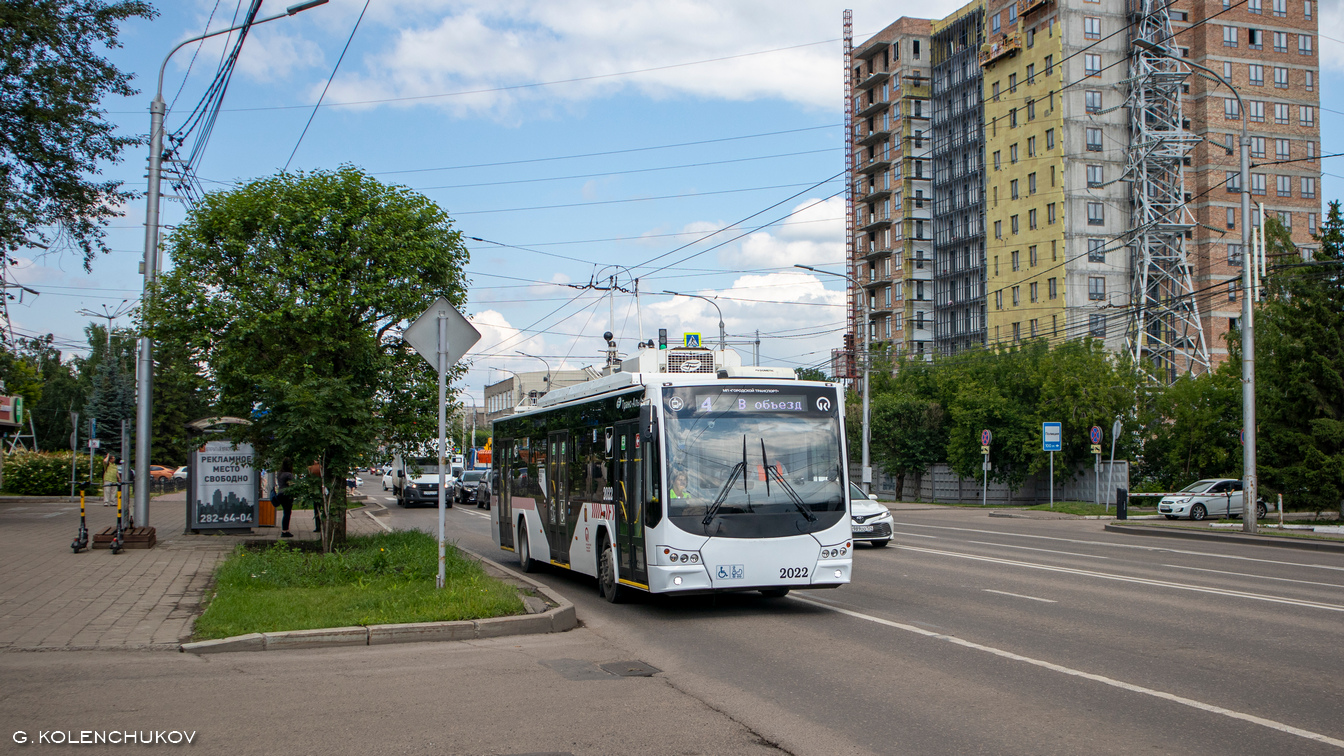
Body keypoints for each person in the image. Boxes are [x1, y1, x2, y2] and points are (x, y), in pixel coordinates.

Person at [273, 461, 296, 538]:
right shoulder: (289, 474)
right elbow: (293, 484)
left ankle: (285, 530)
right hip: (287, 494)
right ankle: (285, 530)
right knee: (287, 513)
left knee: (285, 512)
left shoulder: (280, 473)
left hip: (280, 494)